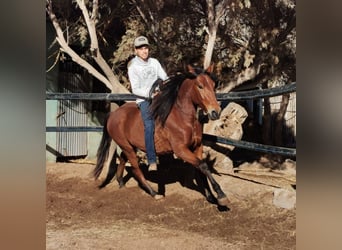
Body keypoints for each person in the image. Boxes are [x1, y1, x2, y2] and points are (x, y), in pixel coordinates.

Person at [127, 36, 168, 170]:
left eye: (146, 48)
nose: (144, 51)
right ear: (136, 51)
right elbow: (135, 89)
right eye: (141, 49)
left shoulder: (154, 62)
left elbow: (164, 77)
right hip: (143, 99)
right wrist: (150, 94)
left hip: (158, 97)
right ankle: (151, 160)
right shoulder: (133, 67)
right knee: (149, 125)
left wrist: (166, 84)